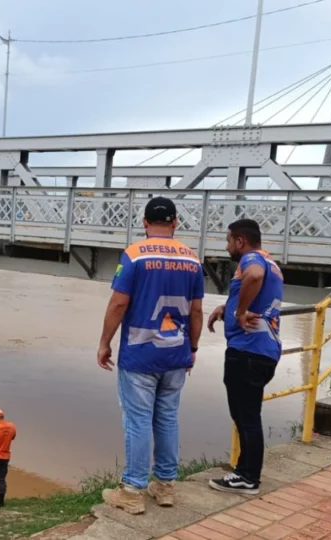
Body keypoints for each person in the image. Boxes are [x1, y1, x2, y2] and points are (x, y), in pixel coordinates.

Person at [97, 197, 204, 515]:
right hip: (176, 354)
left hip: (141, 355)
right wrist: (193, 348)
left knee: (138, 421)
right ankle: (165, 485)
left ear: (144, 222)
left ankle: (132, 490)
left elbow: (118, 304)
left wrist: (104, 342)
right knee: (168, 418)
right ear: (175, 223)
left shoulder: (133, 255)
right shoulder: (193, 260)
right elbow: (197, 310)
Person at [207, 219, 284, 495]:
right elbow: (258, 295)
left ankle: (247, 477)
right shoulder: (270, 261)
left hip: (248, 352)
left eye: (229, 241)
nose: (227, 247)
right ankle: (245, 472)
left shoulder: (250, 258)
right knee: (247, 414)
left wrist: (239, 313)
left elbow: (252, 277)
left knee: (246, 416)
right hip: (264, 351)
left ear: (240, 241)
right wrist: (227, 308)